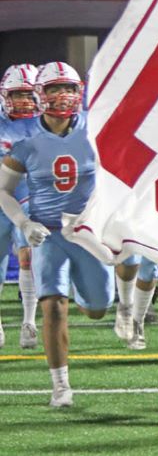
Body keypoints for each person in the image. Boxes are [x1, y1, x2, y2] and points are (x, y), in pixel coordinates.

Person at [0, 62, 114, 408]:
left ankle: (88, 290)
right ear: (41, 94)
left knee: (97, 307)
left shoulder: (97, 130)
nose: (61, 96)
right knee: (54, 308)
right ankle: (60, 386)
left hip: (87, 231)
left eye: (67, 88)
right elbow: (4, 190)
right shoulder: (28, 139)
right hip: (47, 232)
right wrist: (24, 222)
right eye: (52, 89)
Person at [0, 63, 41, 349]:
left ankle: (29, 320)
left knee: (27, 254)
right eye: (18, 94)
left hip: (29, 196)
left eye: (29, 94)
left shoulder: (48, 124)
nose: (25, 101)